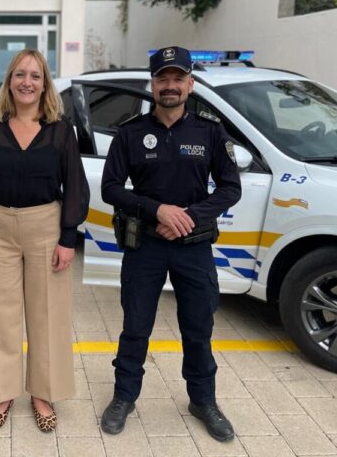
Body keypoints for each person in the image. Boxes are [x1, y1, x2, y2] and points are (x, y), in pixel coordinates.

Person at [99, 46, 242, 442]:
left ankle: (203, 400)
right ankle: (124, 397)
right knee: (135, 327)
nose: (170, 86)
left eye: (178, 79)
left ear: (190, 84)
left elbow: (231, 189)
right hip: (145, 245)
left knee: (198, 328)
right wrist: (157, 210)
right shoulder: (131, 133)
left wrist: (187, 218)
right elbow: (111, 188)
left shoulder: (210, 131)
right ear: (153, 83)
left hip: (193, 247)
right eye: (163, 78)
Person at [0, 49, 90, 433]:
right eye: (20, 74)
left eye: (35, 76)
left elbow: (76, 187)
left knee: (47, 313)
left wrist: (68, 237)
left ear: (45, 83)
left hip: (46, 227)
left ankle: (42, 392)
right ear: (9, 80)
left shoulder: (60, 128)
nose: (27, 82)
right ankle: (2, 391)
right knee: (0, 314)